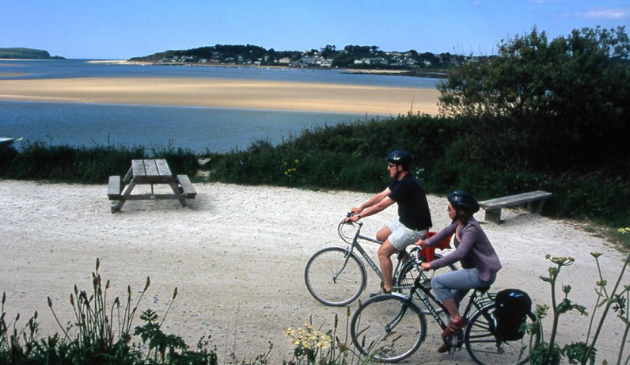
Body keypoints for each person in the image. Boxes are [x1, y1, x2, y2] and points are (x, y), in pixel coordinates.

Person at [417, 190, 502, 353]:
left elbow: (460, 253)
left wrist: (433, 264)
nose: (447, 210)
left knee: (437, 282)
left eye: (449, 208)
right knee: (452, 302)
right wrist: (426, 243)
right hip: (473, 270)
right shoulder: (459, 223)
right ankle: (454, 339)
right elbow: (444, 233)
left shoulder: (471, 228)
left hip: (481, 273)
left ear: (459, 210)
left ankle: (456, 320)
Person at [346, 150, 432, 294]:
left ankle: (388, 288)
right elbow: (381, 195)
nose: (388, 168)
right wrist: (362, 207)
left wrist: (360, 216)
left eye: (391, 165)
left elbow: (382, 205)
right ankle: (406, 258)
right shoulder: (400, 180)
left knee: (383, 253)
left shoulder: (407, 184)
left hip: (414, 228)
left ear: (400, 168)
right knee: (380, 236)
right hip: (406, 222)